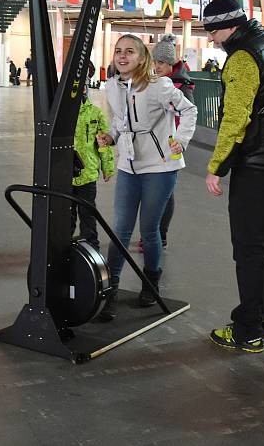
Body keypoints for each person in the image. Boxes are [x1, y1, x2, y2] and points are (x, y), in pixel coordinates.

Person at [202, 0, 264, 353]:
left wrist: (218, 166)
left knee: (248, 250)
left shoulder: (243, 57)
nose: (212, 39)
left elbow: (235, 117)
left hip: (258, 165)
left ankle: (247, 331)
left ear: (229, 26)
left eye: (213, 31)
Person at [95, 34, 197, 320]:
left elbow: (189, 110)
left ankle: (150, 284)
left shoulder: (159, 86)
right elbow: (120, 121)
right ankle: (110, 291)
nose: (122, 56)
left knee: (149, 230)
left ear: (142, 58)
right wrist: (111, 137)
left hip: (161, 165)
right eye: (118, 51)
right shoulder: (112, 86)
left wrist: (181, 140)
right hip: (128, 165)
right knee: (120, 229)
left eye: (129, 51)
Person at [129, 33, 196, 252]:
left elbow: (187, 112)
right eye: (154, 62)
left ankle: (160, 235)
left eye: (160, 63)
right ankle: (152, 234)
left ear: (170, 64)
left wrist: (178, 137)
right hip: (153, 144)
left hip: (170, 144)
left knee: (165, 192)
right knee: (153, 190)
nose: (156, 66)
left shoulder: (183, 84)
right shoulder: (157, 81)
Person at [71, 85, 115, 250]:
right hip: (66, 173)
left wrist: (107, 167)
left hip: (88, 172)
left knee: (87, 212)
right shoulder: (64, 114)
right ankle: (61, 247)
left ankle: (91, 246)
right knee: (66, 213)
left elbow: (103, 143)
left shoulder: (96, 113)